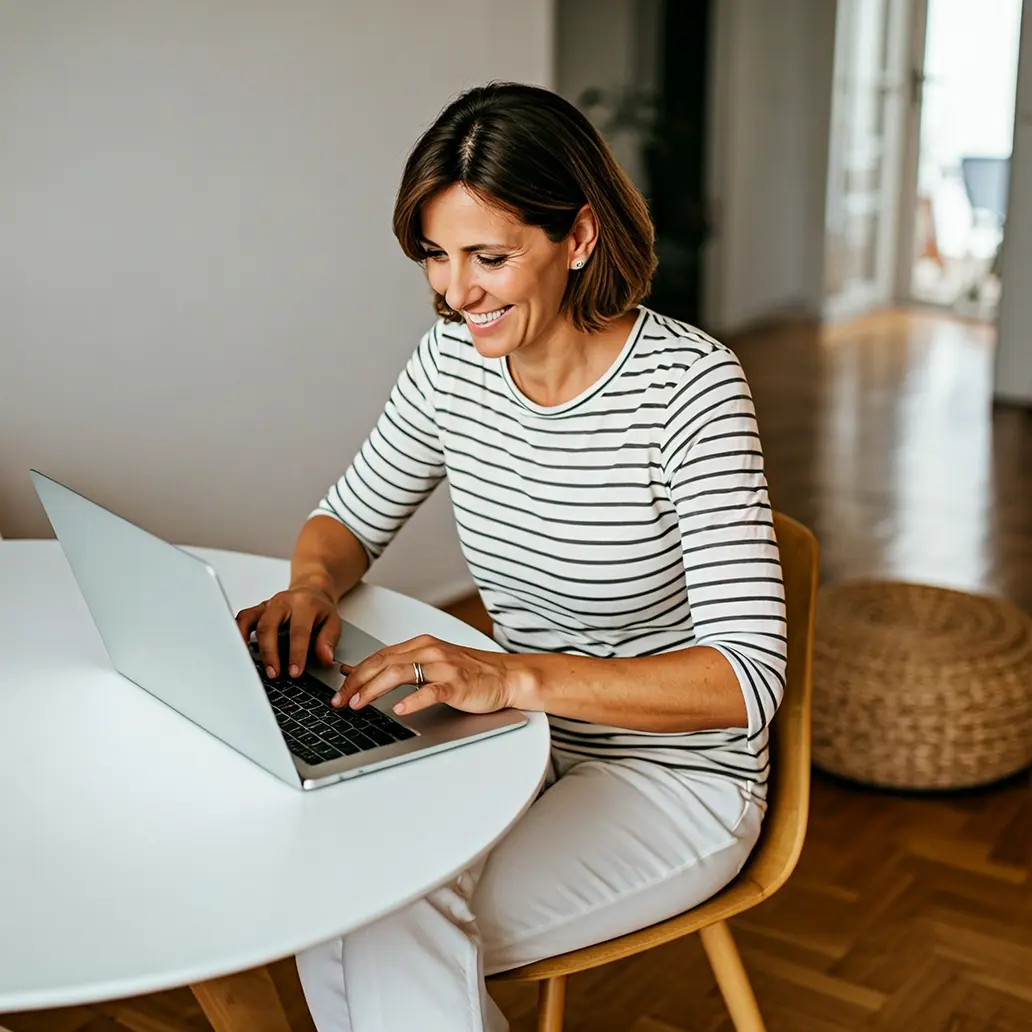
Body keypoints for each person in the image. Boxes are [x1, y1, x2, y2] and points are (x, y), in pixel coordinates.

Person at [235, 82, 786, 1032]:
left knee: (381, 919)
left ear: (577, 239)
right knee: (335, 889)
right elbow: (347, 520)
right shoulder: (453, 364)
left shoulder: (691, 391)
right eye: (437, 259)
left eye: (490, 258)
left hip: (676, 777)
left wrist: (509, 679)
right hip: (519, 746)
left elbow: (745, 679)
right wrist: (313, 585)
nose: (457, 294)